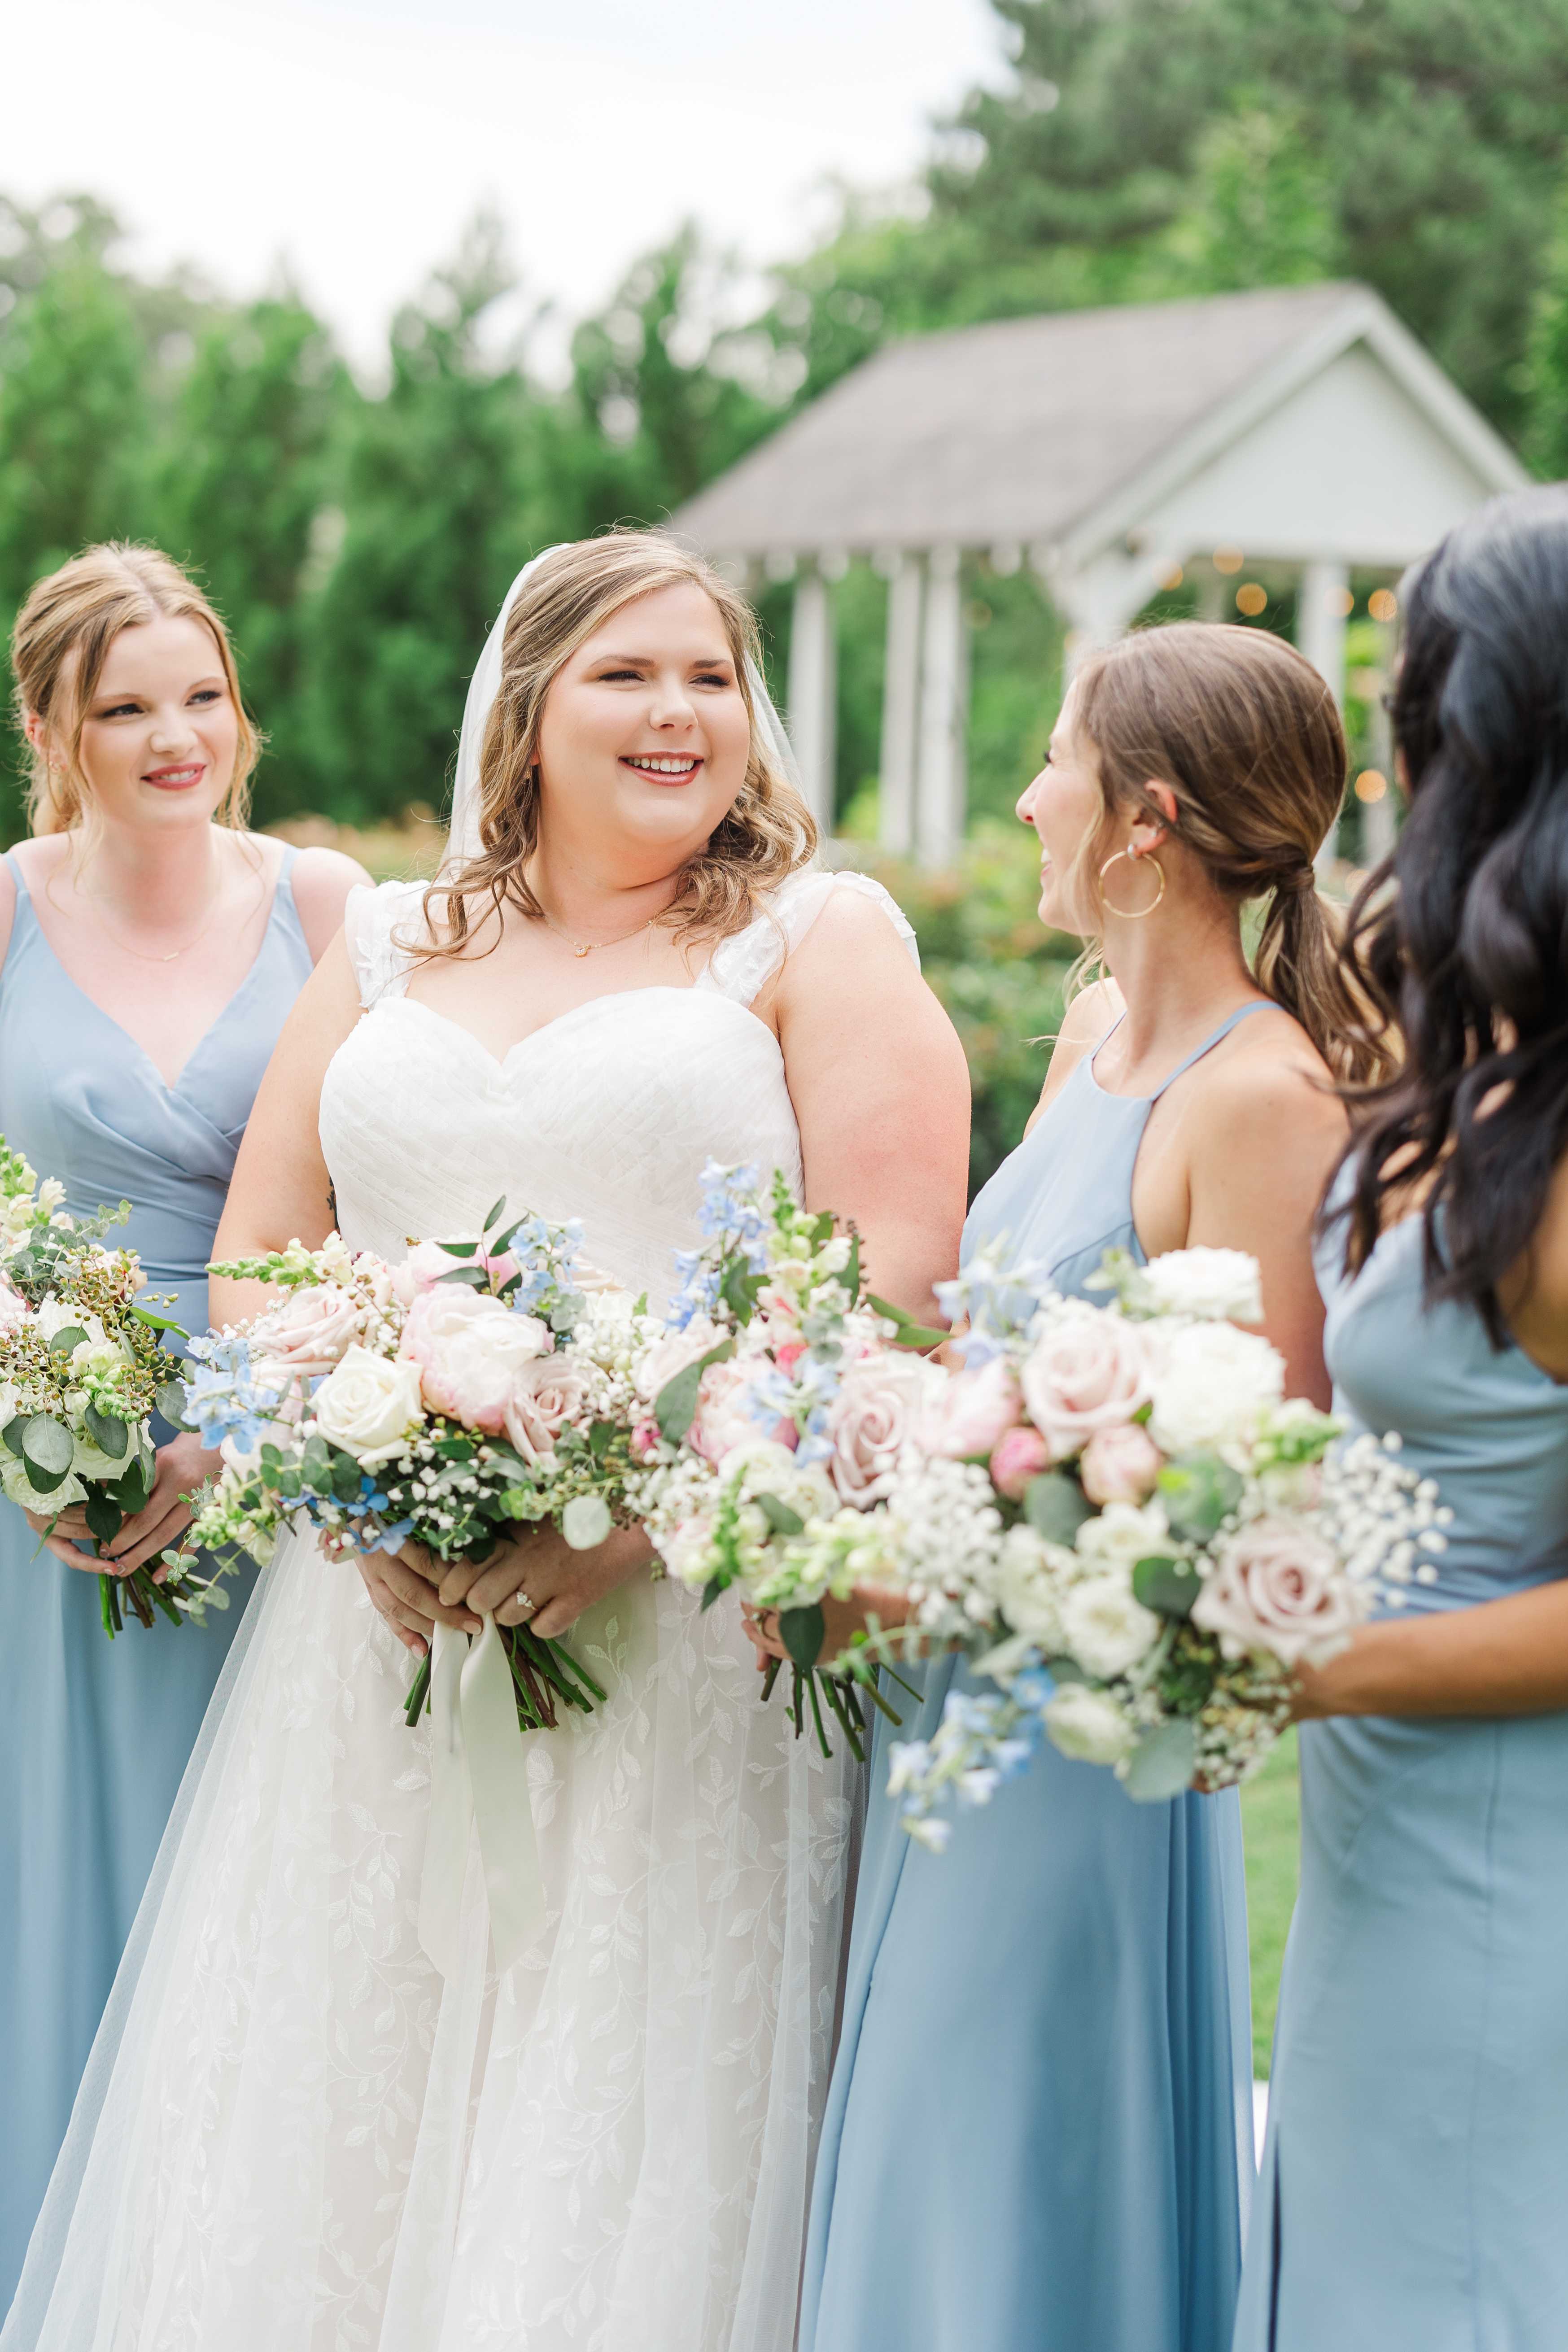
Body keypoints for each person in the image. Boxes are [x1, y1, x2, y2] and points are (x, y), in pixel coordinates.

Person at [2, 529, 971, 2352]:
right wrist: (361, 1485)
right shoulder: (389, 938)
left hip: (683, 1638)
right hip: (372, 1636)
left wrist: (637, 1514)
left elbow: (888, 1280)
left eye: (711, 676)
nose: (681, 711)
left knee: (605, 2146)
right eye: (628, 673)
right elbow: (266, 1253)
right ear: (527, 711)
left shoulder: (815, 939)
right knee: (328, 2132)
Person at [785, 621, 1379, 2352]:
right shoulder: (1093, 1036)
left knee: (1005, 2187)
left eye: (1056, 760)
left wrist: (919, 1574)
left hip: (1078, 1753)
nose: (1030, 797)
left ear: (1146, 820)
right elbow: (989, 1368)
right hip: (943, 1710)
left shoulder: (1264, 1098)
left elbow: (1245, 1505)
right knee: (915, 2173)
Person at [0, 544, 366, 2313]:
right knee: (59, 1874)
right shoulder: (4, 912)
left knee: (269, 1894)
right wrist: (26, 1389)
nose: (176, 738)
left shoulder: (326, 905)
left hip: (273, 1447)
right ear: (51, 729)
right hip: (41, 1475)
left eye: (202, 697)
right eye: (127, 707)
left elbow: (379, 1192)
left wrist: (245, 1424)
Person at [1232, 486, 1568, 2352]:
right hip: (1387, 1848)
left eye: (1410, 692)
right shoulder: (1490, 1055)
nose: (1389, 743)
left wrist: (1307, 1665)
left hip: (1507, 1856)